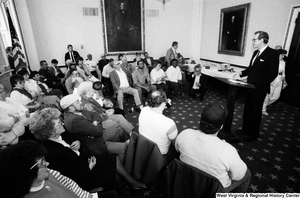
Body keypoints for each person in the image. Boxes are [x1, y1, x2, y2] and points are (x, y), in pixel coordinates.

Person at [175, 102, 251, 192]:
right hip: (213, 192)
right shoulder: (228, 151)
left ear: (200, 120)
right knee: (247, 174)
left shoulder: (185, 134)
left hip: (187, 183)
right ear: (221, 127)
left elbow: (176, 149)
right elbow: (239, 176)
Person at [0, 140, 119, 198]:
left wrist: (90, 196)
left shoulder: (51, 173)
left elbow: (74, 188)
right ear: (27, 172)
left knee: (113, 194)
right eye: (42, 162)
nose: (47, 163)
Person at [234, 31, 279, 142]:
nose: (252, 41)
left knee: (255, 111)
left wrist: (258, 85)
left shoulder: (272, 53)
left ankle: (253, 134)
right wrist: (241, 73)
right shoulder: (255, 53)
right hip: (249, 86)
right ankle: (245, 129)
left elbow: (272, 74)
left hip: (259, 89)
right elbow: (251, 69)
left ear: (262, 40)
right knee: (248, 109)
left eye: (254, 39)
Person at [139, 90, 178, 163]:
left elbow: (151, 108)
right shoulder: (169, 123)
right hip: (161, 154)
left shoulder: (143, 110)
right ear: (163, 103)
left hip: (144, 148)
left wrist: (163, 104)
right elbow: (175, 143)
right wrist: (164, 104)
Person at [262, 48, 288, 115]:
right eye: (282, 55)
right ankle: (263, 108)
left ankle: (261, 104)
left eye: (284, 55)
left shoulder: (283, 62)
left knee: (276, 97)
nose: (283, 56)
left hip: (279, 80)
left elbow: (283, 73)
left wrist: (284, 81)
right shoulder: (272, 61)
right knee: (268, 95)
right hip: (272, 80)